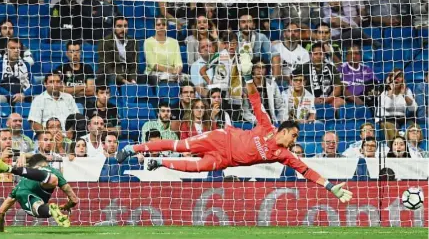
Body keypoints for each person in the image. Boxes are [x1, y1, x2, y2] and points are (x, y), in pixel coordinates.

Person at [116, 54, 353, 203]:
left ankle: (158, 162)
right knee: (181, 145)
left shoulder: (283, 155)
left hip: (224, 160)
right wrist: (248, 77)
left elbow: (307, 171)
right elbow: (255, 100)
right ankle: (132, 148)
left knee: (197, 168)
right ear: (283, 130)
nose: (294, 140)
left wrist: (331, 187)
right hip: (221, 139)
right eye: (293, 135)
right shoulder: (267, 126)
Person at [0, 154, 79, 231]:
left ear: (32, 168)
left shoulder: (21, 182)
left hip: (24, 192)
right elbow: (74, 199)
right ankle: (10, 169)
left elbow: (0, 212)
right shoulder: (54, 171)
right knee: (52, 181)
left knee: (37, 204)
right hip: (47, 182)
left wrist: (1, 230)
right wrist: (67, 205)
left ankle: (50, 210)